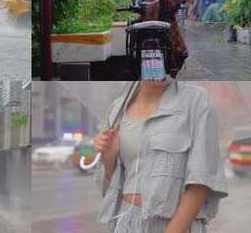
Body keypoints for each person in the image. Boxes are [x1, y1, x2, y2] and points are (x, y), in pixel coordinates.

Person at [93, 81, 227, 233]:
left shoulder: (196, 100)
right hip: (126, 223)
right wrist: (109, 158)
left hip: (175, 226)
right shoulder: (117, 109)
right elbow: (112, 189)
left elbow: (202, 180)